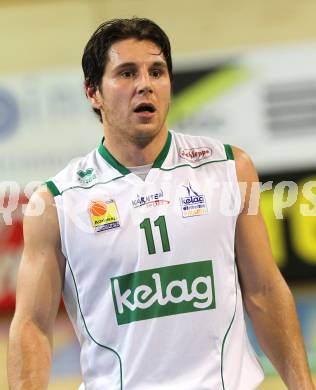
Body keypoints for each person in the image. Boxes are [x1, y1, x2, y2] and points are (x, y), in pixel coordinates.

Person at [8, 18, 314, 390]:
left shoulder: (230, 168)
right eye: (126, 73)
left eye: (157, 71)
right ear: (93, 92)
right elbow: (33, 325)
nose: (145, 84)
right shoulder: (57, 202)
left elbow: (264, 290)